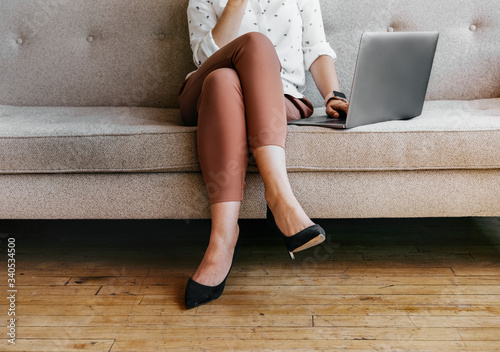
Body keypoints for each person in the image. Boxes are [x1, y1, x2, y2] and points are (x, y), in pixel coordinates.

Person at [178, 0, 349, 309]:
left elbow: (316, 46)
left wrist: (332, 95)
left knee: (224, 81)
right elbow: (204, 58)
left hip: (276, 97)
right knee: (232, 64)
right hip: (203, 95)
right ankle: (279, 197)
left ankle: (222, 239)